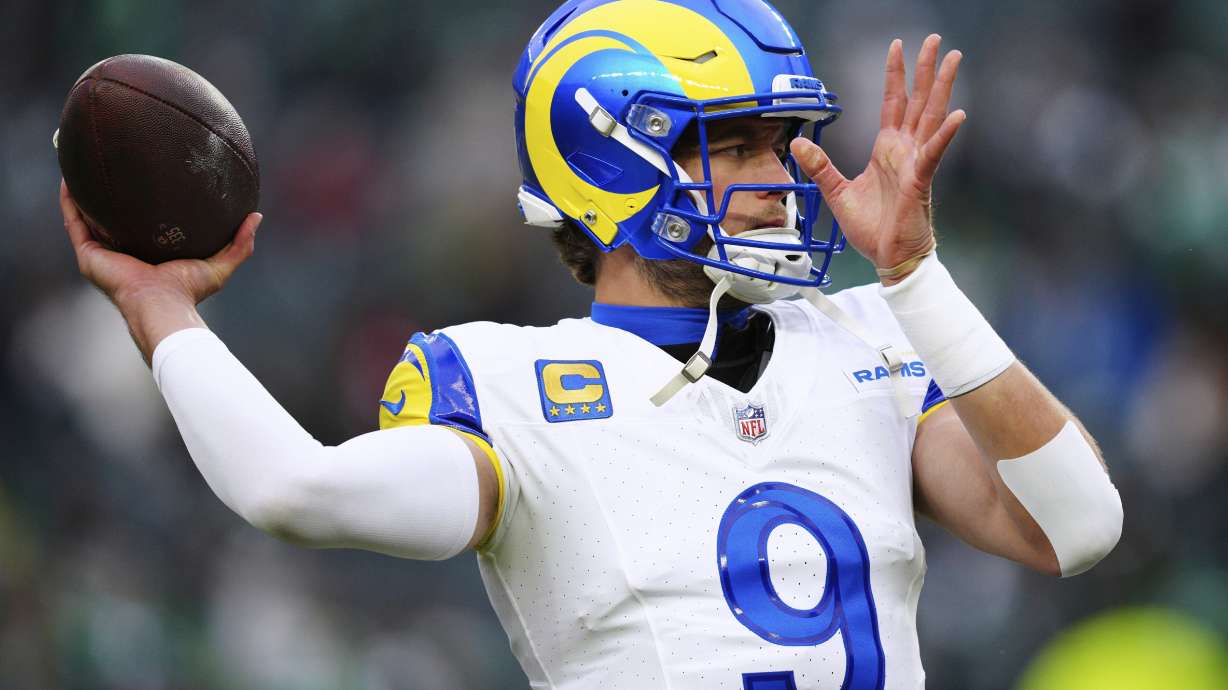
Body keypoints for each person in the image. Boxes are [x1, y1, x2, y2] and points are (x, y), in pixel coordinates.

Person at [59, 1, 1124, 687]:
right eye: (734, 146)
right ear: (608, 160)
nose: (782, 177)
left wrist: (916, 276)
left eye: (780, 141)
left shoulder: (869, 336)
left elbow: (1077, 524)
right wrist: (163, 312)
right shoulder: (509, 385)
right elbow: (295, 490)